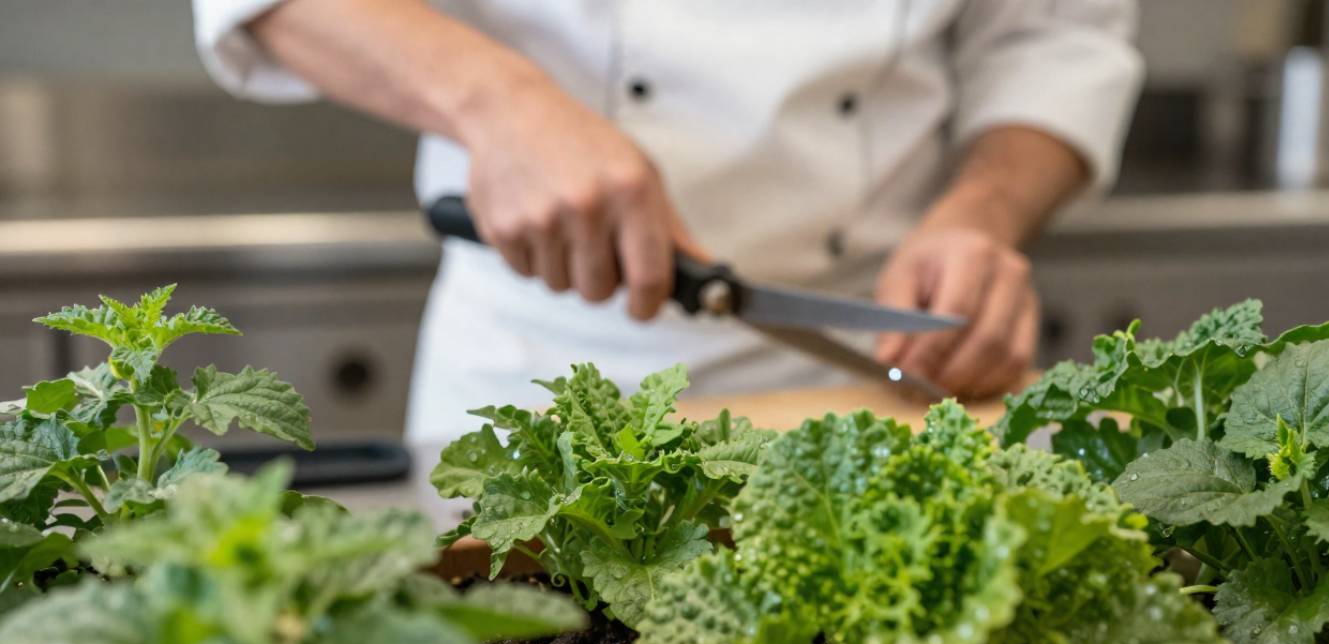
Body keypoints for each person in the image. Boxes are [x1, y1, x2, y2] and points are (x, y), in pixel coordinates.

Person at [192, 0, 1142, 444]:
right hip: (538, 373)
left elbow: (1057, 34)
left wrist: (982, 212)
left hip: (877, 361)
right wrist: (500, 102)